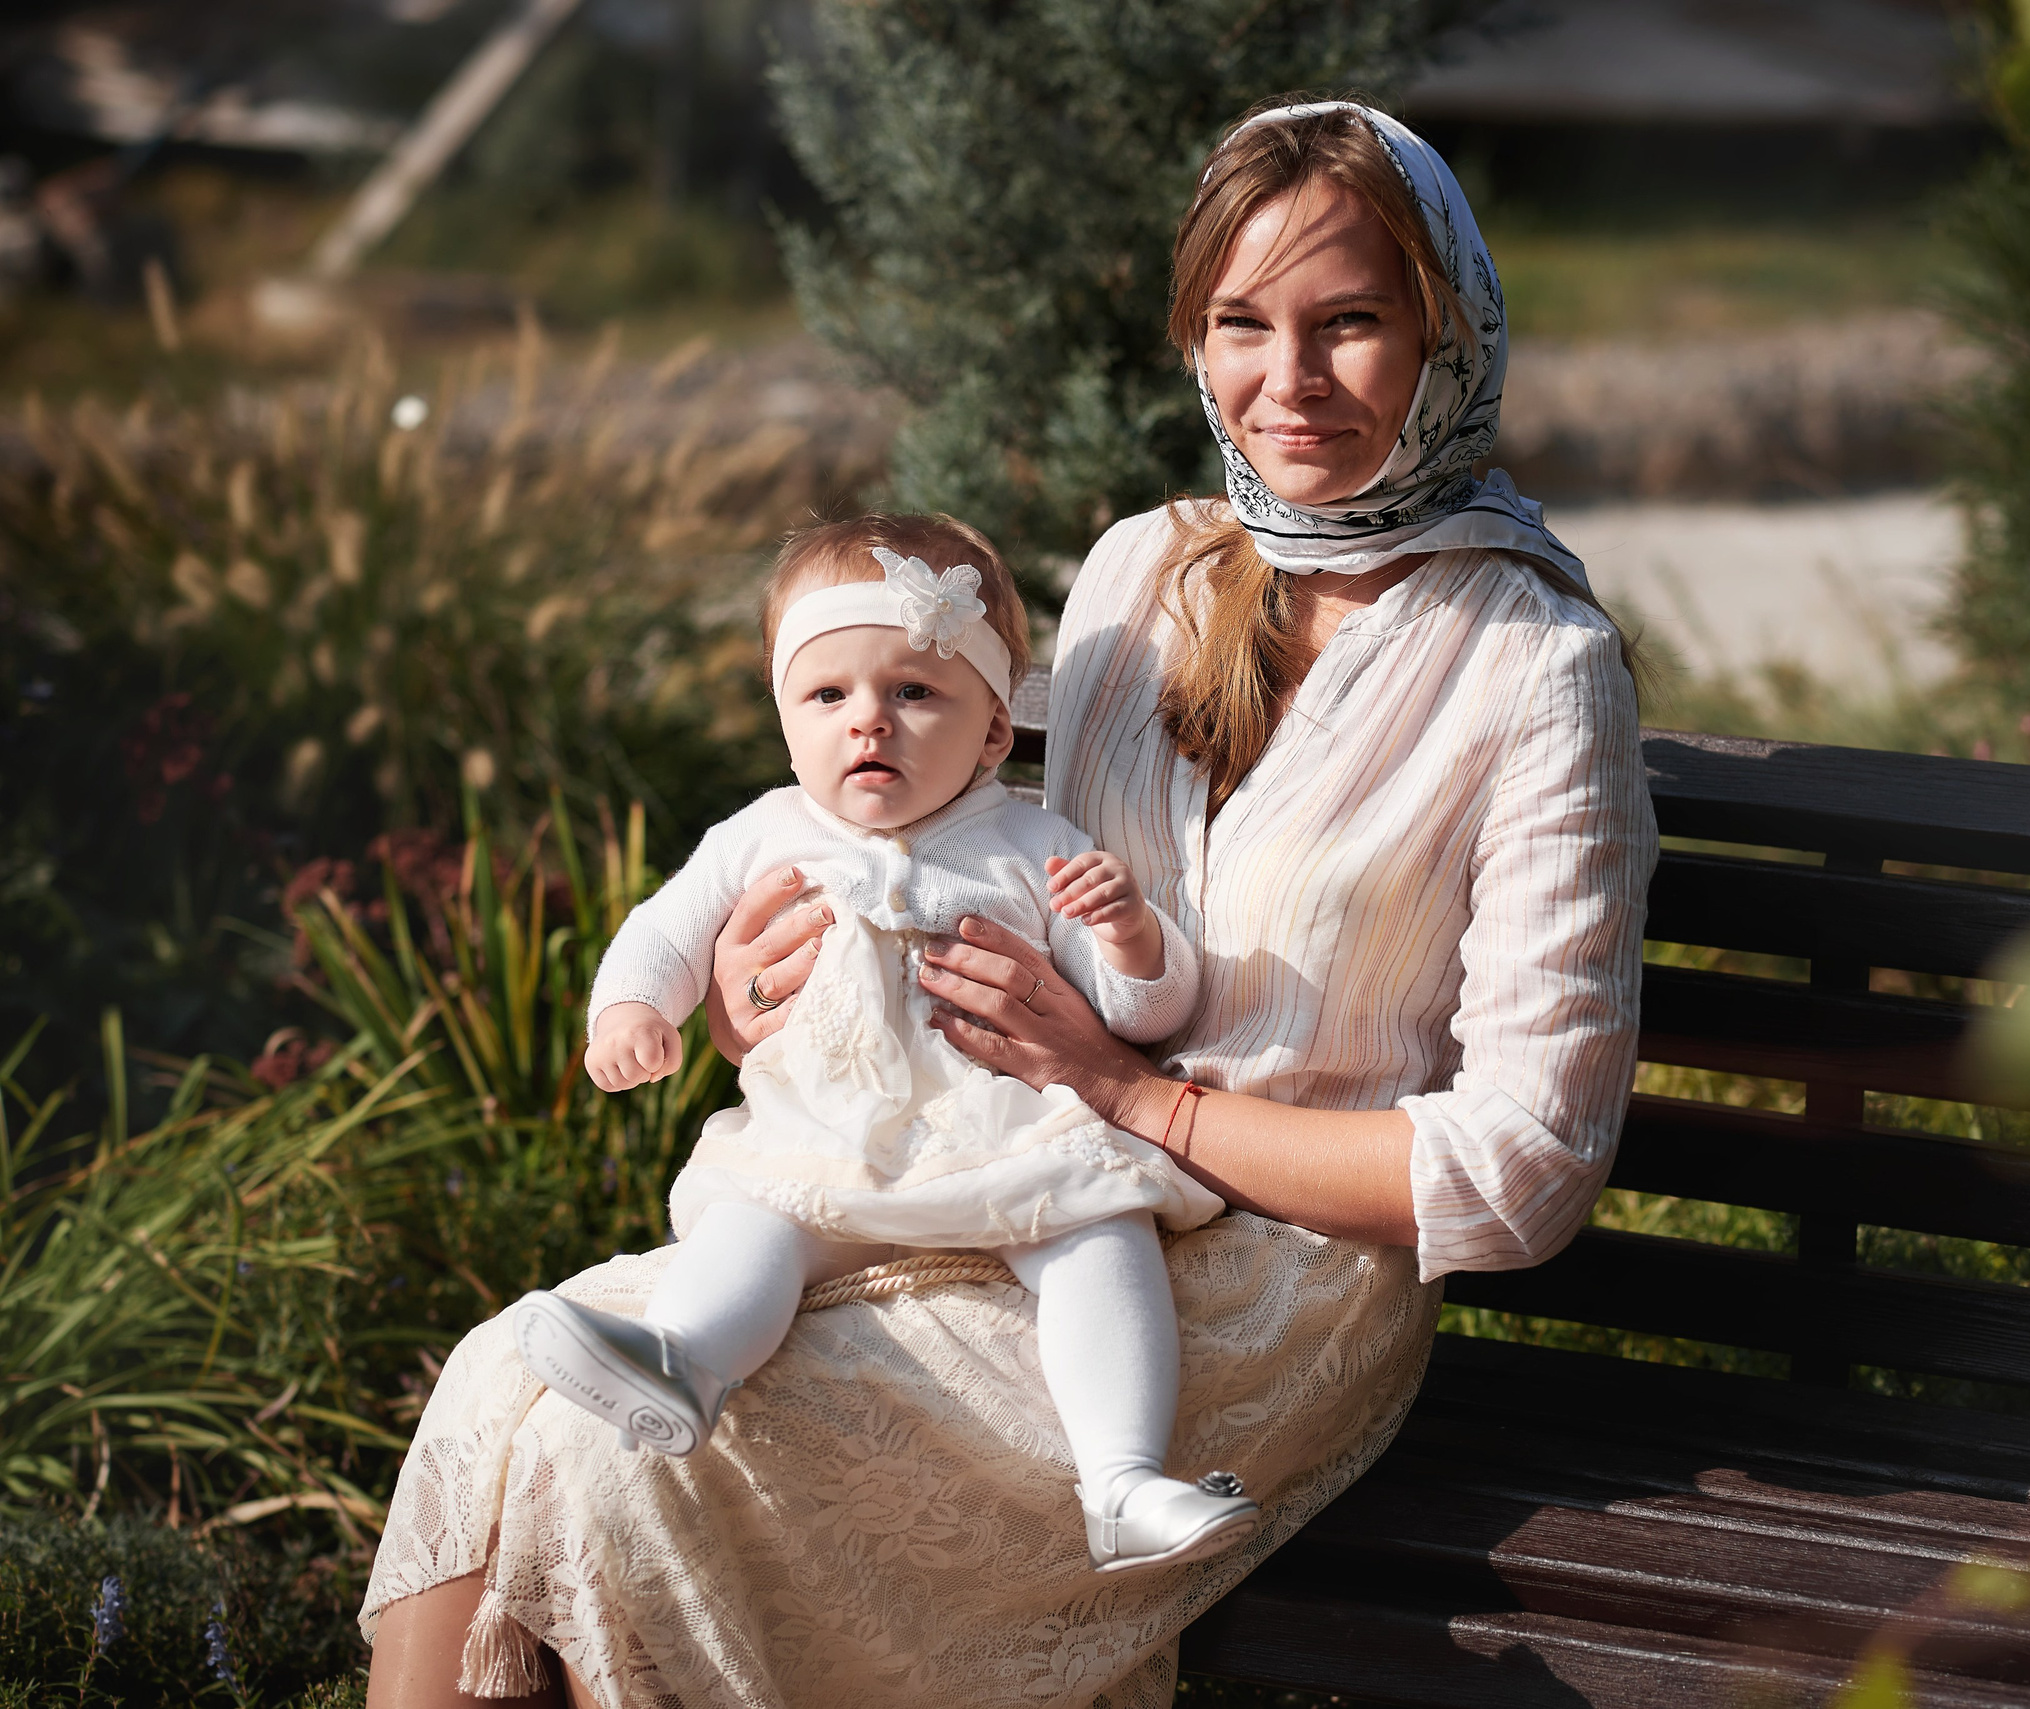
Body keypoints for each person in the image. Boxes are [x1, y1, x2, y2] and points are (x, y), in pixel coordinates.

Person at [361, 98, 1653, 1709]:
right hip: (981, 1179)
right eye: (1243, 323)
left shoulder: (1535, 667)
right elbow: (944, 831)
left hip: (1273, 1286)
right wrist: (782, 986)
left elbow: (1523, 1171)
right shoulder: (1142, 575)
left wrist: (1131, 1095)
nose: (1290, 382)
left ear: (1447, 331)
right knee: (508, 1384)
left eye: (1354, 323)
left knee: (626, 1472)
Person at [509, 511, 1257, 1576]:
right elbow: (664, 930)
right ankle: (682, 1366)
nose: (870, 722)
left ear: (994, 732)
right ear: (785, 722)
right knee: (745, 1234)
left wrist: (1131, 934)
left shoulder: (1033, 842)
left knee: (1103, 1237)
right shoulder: (764, 831)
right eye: (829, 695)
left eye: (914, 692)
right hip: (818, 1148)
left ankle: (1124, 1478)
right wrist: (631, 1008)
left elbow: (1140, 1013)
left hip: (1004, 1144)